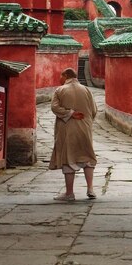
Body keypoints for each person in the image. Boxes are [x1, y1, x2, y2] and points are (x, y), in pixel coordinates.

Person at [49, 68, 98, 201]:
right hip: (85, 128)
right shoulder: (87, 90)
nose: (59, 78)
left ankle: (69, 193)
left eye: (60, 75)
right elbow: (94, 110)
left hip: (67, 129)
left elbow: (54, 107)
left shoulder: (60, 90)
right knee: (87, 157)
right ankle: (90, 189)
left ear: (65, 76)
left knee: (68, 158)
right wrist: (86, 121)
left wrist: (69, 113)